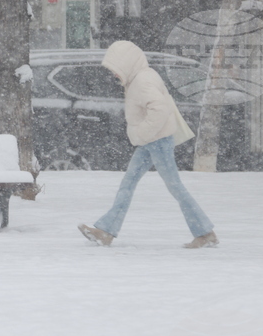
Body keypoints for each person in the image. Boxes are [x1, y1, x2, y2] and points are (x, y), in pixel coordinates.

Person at [78, 40, 218, 248]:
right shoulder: (139, 78)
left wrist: (142, 133)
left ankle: (205, 233)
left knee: (174, 187)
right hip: (151, 141)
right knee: (129, 184)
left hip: (157, 141)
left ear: (126, 63)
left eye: (116, 69)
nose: (114, 74)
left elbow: (160, 109)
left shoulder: (142, 81)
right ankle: (106, 231)